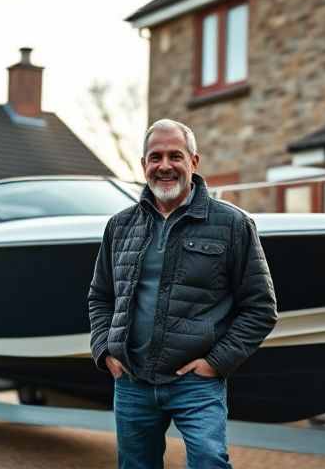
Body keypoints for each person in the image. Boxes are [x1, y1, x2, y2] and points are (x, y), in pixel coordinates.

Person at [88, 119, 277, 468]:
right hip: (132, 381)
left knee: (209, 462)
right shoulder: (119, 226)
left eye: (175, 155)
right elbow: (100, 297)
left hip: (196, 384)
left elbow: (260, 308)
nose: (164, 166)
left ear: (194, 162)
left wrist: (215, 363)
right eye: (154, 157)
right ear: (143, 165)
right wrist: (104, 350)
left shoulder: (234, 225)